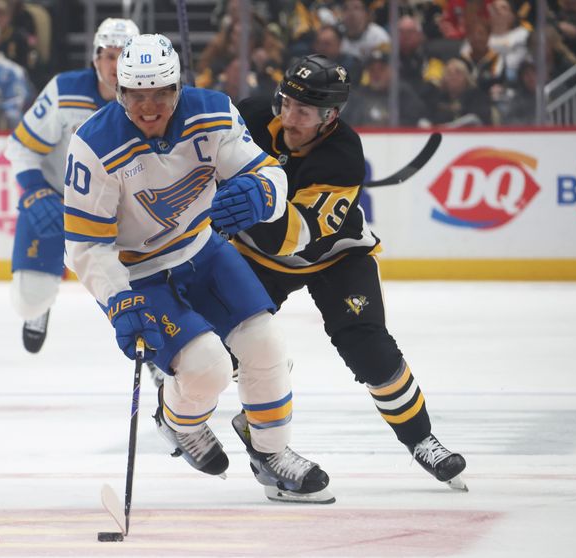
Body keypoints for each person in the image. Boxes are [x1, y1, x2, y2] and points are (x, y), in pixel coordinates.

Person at [63, 33, 332, 504]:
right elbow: (86, 245)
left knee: (264, 343)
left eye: (160, 93)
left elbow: (268, 173)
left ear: (178, 88)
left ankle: (272, 454)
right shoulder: (93, 146)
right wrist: (117, 300)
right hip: (140, 270)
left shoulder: (213, 112)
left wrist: (262, 195)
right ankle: (179, 422)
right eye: (137, 95)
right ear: (119, 93)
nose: (149, 107)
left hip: (202, 248)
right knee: (206, 368)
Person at [231, 54, 468, 490]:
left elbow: (291, 237)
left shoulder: (342, 156)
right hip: (258, 260)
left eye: (303, 112)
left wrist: (243, 208)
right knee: (224, 348)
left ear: (331, 116)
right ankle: (248, 429)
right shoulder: (248, 115)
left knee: (370, 349)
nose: (289, 117)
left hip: (335, 255)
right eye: (286, 103)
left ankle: (422, 440)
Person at [4, 18, 140, 353]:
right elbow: (21, 146)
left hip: (117, 212)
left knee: (143, 290)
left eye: (124, 55)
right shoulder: (65, 91)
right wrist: (36, 193)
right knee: (29, 301)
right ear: (95, 58)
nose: (115, 64)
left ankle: (155, 346)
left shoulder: (152, 99)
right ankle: (40, 308)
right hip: (57, 202)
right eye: (109, 55)